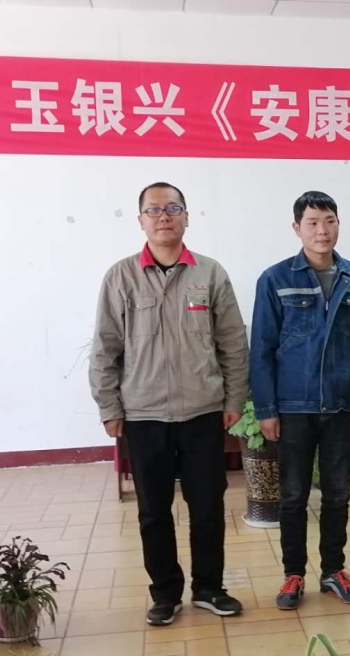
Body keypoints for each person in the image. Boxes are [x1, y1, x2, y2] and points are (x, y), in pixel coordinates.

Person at [90, 182, 248, 626]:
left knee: (208, 507)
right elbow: (105, 348)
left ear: (187, 217)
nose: (164, 216)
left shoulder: (210, 274)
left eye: (173, 208)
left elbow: (233, 343)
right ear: (140, 220)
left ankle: (209, 588)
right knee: (153, 511)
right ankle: (164, 593)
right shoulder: (120, 277)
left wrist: (234, 398)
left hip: (203, 411)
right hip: (143, 416)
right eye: (154, 210)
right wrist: (109, 406)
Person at [250, 191, 350, 610]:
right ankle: (293, 574)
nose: (322, 230)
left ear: (338, 224)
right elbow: (262, 349)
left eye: (329, 221)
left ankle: (333, 571)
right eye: (312, 222)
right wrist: (267, 409)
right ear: (297, 228)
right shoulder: (275, 279)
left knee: (338, 494)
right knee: (292, 496)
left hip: (342, 405)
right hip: (294, 407)